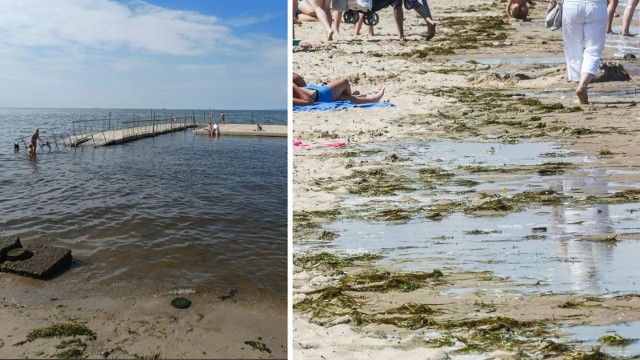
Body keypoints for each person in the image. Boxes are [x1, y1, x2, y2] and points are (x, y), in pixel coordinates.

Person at [552, 0, 607, 104]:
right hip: (597, 6)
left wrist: (552, 3)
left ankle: (580, 86)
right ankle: (583, 85)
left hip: (572, 6)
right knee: (594, 49)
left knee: (573, 49)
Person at [292, 72, 385, 105]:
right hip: (321, 95)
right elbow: (309, 102)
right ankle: (348, 94)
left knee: (349, 99)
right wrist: (294, 86)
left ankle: (374, 99)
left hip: (318, 93)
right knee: (345, 82)